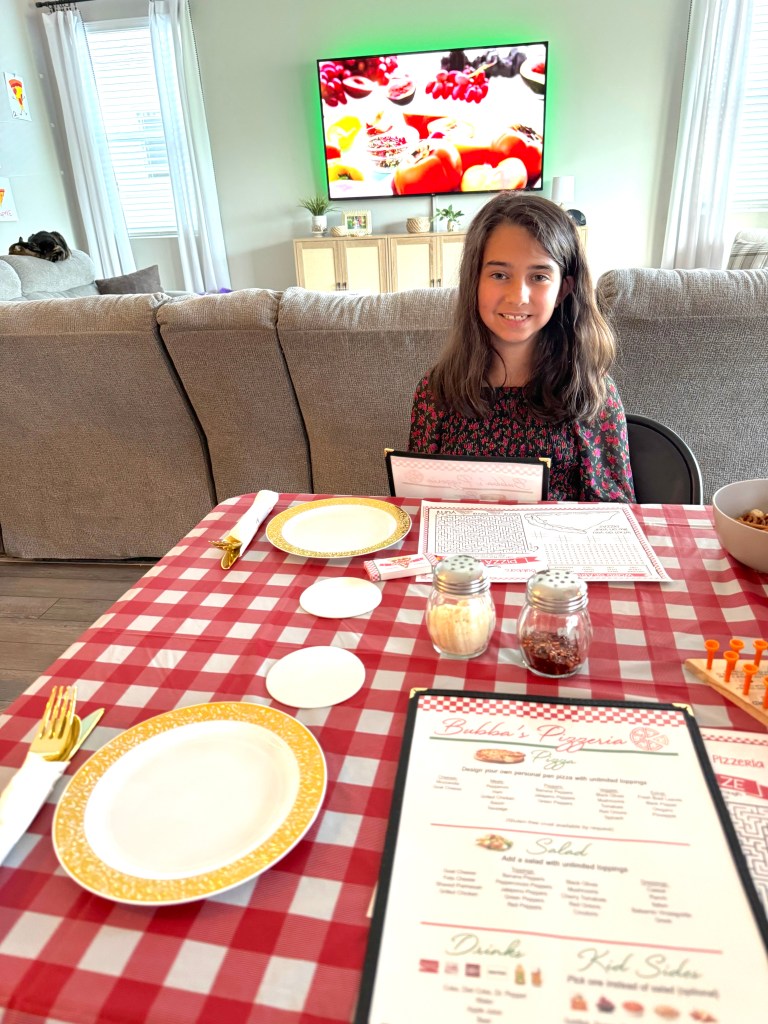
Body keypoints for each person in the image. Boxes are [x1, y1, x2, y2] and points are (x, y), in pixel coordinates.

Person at [408, 192, 635, 502]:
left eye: (539, 276)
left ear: (562, 289)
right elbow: (418, 503)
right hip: (462, 550)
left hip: (558, 549)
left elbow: (615, 513)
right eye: (499, 275)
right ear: (474, 281)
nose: (518, 296)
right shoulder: (437, 390)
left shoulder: (591, 390)